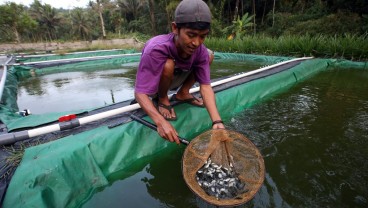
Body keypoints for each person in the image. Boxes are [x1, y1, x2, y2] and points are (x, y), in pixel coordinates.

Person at [134, 0, 225, 144]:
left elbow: (205, 86)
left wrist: (217, 121)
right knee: (168, 65)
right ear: (175, 28)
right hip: (159, 83)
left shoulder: (199, 50)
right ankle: (163, 99)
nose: (196, 42)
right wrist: (160, 121)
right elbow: (140, 93)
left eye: (202, 36)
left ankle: (183, 93)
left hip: (179, 76)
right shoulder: (156, 48)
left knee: (208, 55)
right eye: (191, 35)